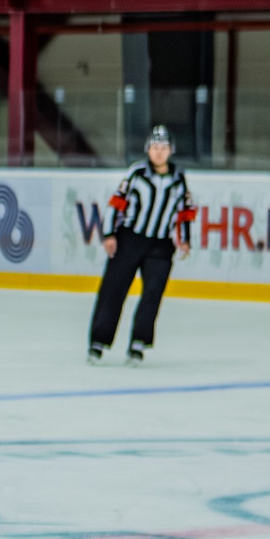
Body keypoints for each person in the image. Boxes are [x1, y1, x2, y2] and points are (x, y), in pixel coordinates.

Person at [90, 125, 194, 364]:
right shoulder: (136, 174)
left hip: (160, 245)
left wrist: (185, 240)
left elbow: (185, 211)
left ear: (171, 151)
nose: (159, 152)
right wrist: (109, 234)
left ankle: (138, 342)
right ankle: (98, 341)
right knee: (113, 289)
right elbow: (115, 204)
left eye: (164, 148)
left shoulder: (178, 179)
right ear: (148, 149)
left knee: (152, 294)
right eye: (155, 147)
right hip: (129, 240)